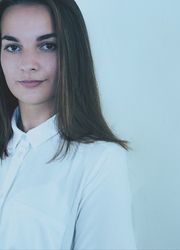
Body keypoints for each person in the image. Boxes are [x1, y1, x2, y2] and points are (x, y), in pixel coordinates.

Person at [0, 0, 137, 249]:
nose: (28, 63)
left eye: (47, 45)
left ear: (71, 53)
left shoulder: (99, 160)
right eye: (12, 47)